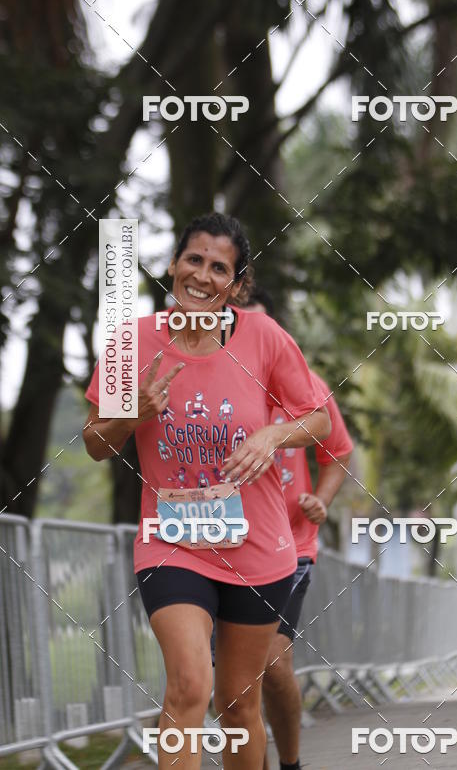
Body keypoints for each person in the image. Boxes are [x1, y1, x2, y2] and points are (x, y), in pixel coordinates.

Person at [83, 213, 332, 769]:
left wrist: (272, 433)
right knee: (189, 687)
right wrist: (132, 416)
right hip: (173, 544)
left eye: (219, 267)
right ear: (173, 265)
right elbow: (96, 443)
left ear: (236, 286)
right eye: (192, 259)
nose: (201, 274)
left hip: (259, 548)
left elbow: (318, 421)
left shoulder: (265, 338)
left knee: (239, 704)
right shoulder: (134, 341)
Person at [244, 288, 354, 770]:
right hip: (219, 546)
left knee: (271, 664)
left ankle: (289, 764)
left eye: (260, 326)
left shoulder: (305, 387)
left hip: (290, 545)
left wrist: (320, 500)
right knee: (233, 679)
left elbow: (339, 454)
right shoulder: (206, 380)